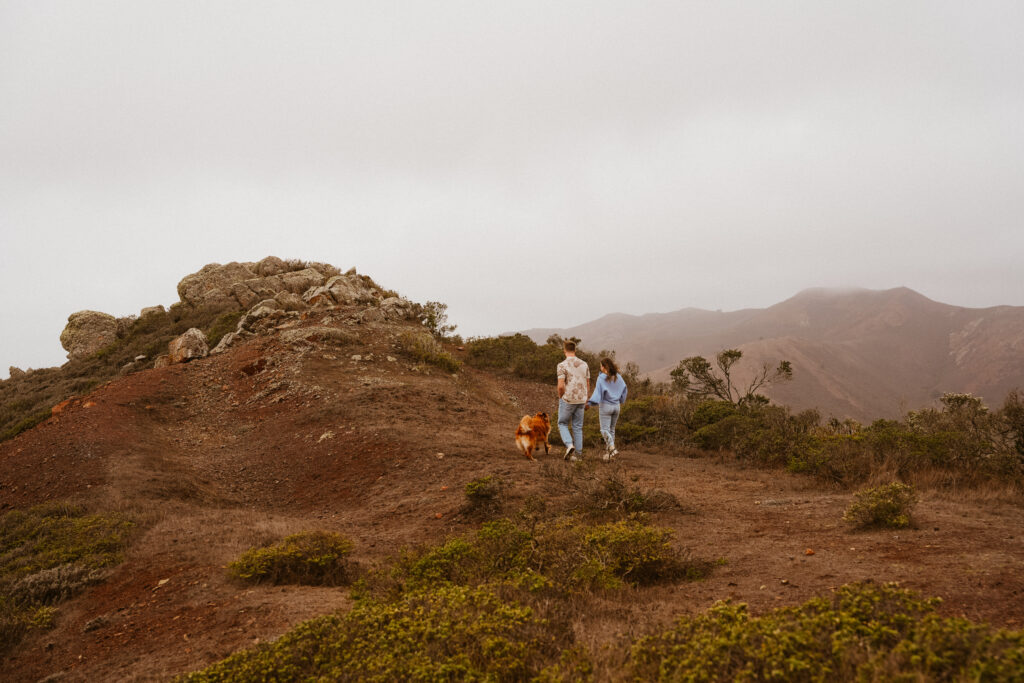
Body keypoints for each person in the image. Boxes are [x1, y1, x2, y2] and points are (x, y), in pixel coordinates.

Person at [587, 357, 628, 461]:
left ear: (604, 367)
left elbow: (597, 393)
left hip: (606, 406)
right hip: (616, 407)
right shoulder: (618, 377)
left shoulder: (601, 378)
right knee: (611, 430)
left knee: (604, 430)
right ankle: (609, 455)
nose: (600, 368)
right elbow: (625, 389)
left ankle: (612, 448)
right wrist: (621, 400)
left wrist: (590, 402)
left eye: (601, 366)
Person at [556, 340, 590, 462]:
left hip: (568, 399)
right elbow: (587, 383)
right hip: (581, 399)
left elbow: (560, 386)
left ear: (564, 350)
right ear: (575, 350)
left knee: (562, 423)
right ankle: (578, 456)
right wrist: (587, 400)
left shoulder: (561, 365)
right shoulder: (585, 364)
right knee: (578, 427)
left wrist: (561, 396)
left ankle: (569, 445)